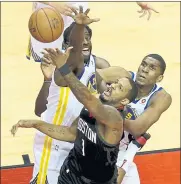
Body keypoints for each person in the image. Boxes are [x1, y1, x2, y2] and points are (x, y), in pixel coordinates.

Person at [11, 44, 140, 184]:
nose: (112, 85)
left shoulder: (114, 117)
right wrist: (36, 124)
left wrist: (63, 67)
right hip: (71, 172)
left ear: (125, 100)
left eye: (119, 87)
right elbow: (70, 133)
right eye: (115, 82)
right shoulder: (93, 108)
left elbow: (87, 98)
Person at [26, 6, 105, 184]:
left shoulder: (99, 65)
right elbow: (40, 111)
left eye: (88, 38)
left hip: (79, 144)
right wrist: (78, 26)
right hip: (53, 144)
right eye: (79, 39)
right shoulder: (64, 70)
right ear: (67, 47)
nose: (84, 42)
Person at [98, 54, 172, 183]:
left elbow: (137, 129)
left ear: (159, 78)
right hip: (98, 144)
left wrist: (103, 112)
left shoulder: (161, 97)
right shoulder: (123, 76)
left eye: (152, 68)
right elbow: (92, 75)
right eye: (143, 64)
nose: (145, 69)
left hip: (121, 152)